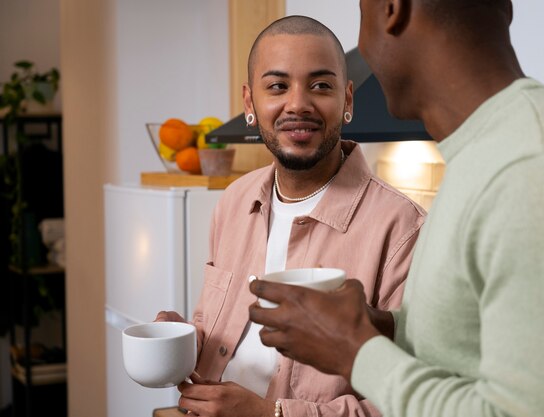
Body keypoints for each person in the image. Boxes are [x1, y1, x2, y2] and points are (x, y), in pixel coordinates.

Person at [249, 1, 544, 417]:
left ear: (392, 9)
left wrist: (357, 353)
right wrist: (384, 329)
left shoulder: (538, 171)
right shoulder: (489, 155)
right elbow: (470, 350)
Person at [155, 15, 426, 417]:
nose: (298, 104)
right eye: (278, 86)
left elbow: (412, 402)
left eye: (320, 85)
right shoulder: (234, 202)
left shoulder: (402, 228)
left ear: (347, 100)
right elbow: (224, 333)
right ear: (250, 103)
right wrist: (184, 341)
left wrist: (271, 415)